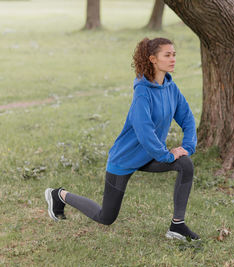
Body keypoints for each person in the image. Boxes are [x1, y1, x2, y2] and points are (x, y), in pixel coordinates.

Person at [44, 37, 199, 241]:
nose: (173, 59)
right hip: (125, 159)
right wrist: (167, 156)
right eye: (167, 55)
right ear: (153, 59)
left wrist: (187, 146)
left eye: (174, 54)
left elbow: (187, 118)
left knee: (185, 164)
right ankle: (59, 195)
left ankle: (177, 226)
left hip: (150, 156)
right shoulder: (142, 93)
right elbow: (144, 133)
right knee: (106, 217)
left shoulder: (171, 88)